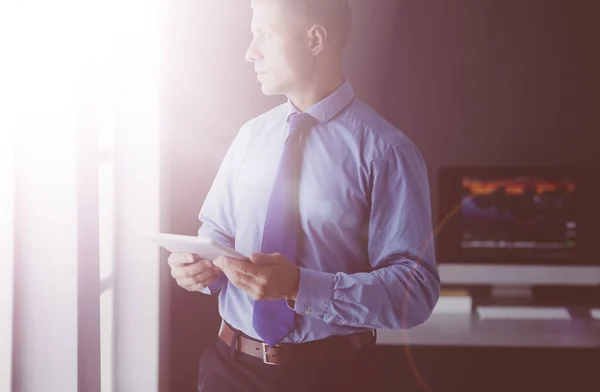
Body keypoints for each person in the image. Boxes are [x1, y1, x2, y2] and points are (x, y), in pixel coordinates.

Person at [167, 0, 440, 391]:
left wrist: (300, 286)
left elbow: (414, 294)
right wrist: (199, 269)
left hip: (335, 377)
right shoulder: (250, 137)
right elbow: (216, 234)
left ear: (315, 40)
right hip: (229, 370)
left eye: (264, 34)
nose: (250, 52)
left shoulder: (388, 153)